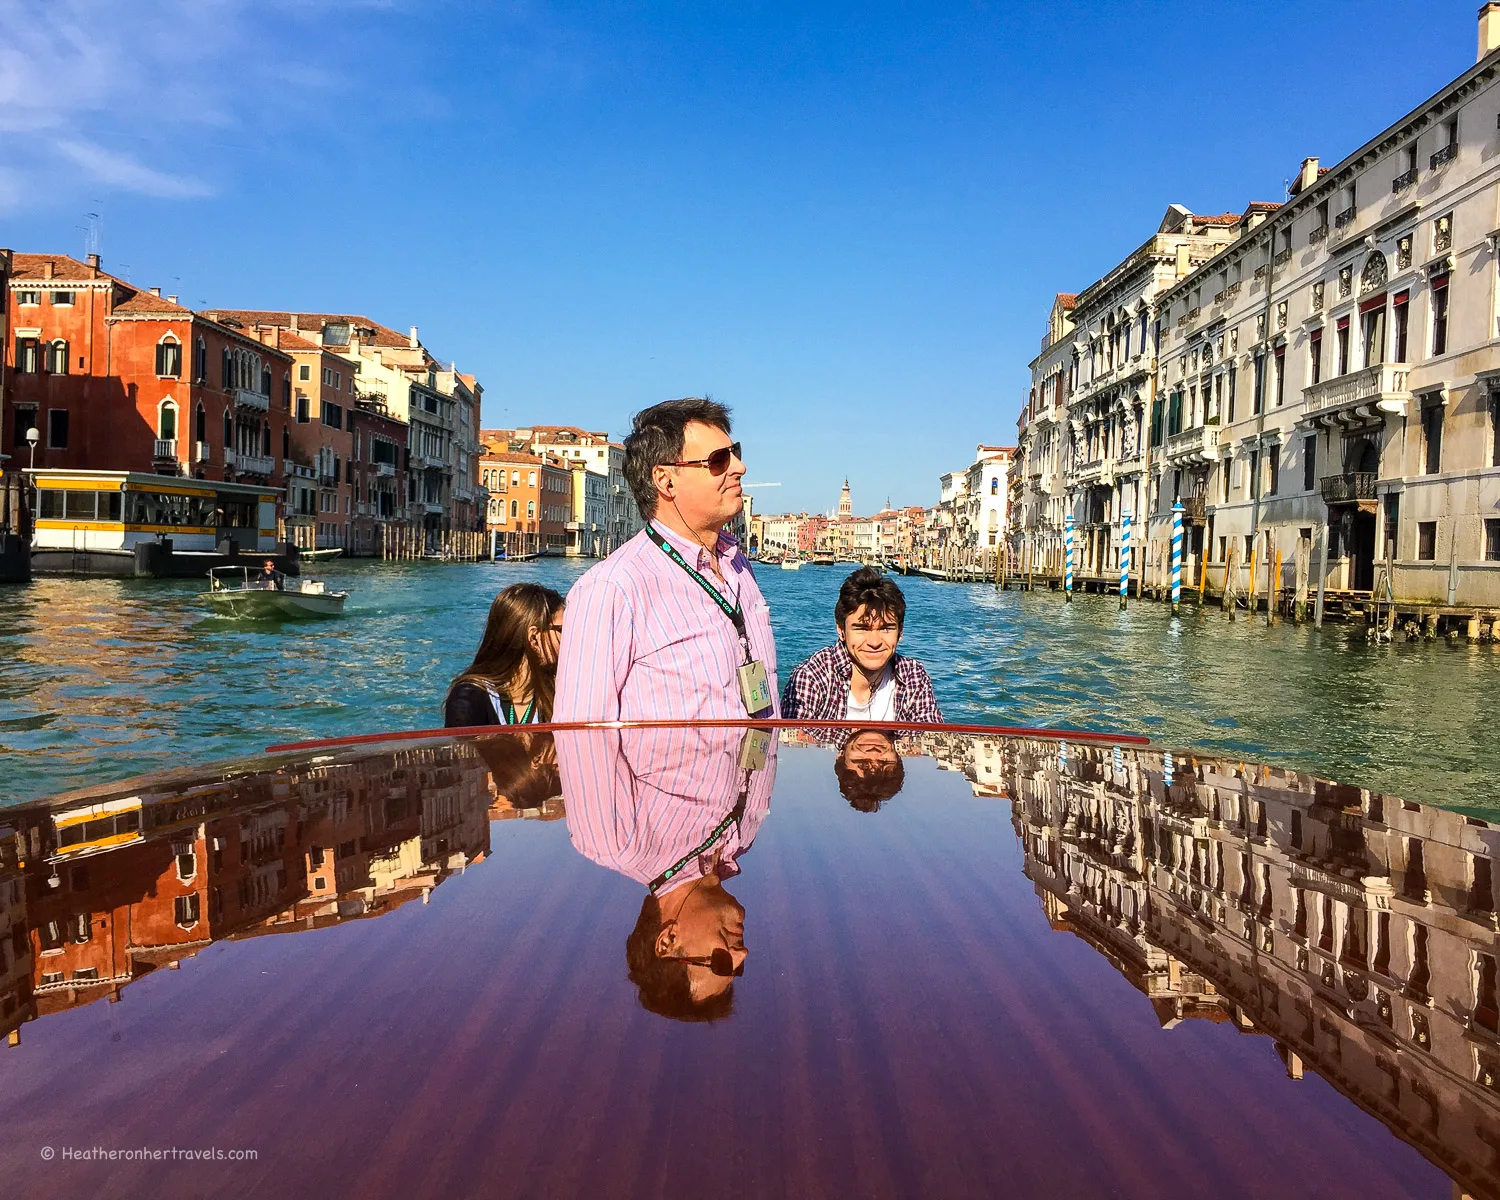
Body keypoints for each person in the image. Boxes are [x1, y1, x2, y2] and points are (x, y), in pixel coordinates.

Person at [554, 397, 776, 722]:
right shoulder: (610, 589)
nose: (739, 468)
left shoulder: (738, 565)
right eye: (718, 460)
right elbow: (584, 736)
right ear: (665, 480)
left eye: (735, 453)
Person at [556, 723, 775, 1022]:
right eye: (738, 968)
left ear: (667, 941)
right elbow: (765, 719)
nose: (742, 955)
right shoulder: (745, 836)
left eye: (722, 963)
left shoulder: (614, 841)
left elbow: (583, 716)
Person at [781, 566, 943, 723]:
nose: (874, 642)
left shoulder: (913, 677)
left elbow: (933, 740)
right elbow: (790, 744)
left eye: (886, 628)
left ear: (900, 632)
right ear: (841, 630)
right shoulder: (813, 677)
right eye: (862, 628)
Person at [444, 583, 565, 727]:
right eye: (562, 630)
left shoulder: (560, 691)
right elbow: (462, 749)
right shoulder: (469, 698)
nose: (570, 638)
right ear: (534, 638)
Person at [833, 729, 907, 813]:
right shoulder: (914, 722)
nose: (874, 753)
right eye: (884, 761)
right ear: (898, 757)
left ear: (841, 755)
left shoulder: (822, 725)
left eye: (862, 762)